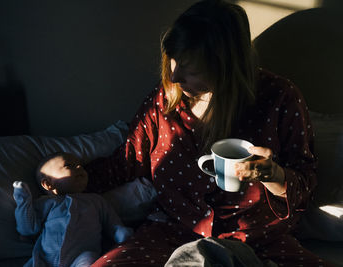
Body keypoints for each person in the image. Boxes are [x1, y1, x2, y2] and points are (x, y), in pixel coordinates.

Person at [83, 0, 333, 266]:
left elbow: (306, 184)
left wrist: (274, 175)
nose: (175, 76)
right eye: (173, 63)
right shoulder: (165, 101)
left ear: (225, 67)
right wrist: (78, 178)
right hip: (172, 233)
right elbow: (127, 161)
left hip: (260, 241)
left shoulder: (280, 99)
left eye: (190, 70)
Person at [12, 152, 133, 267]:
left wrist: (121, 233)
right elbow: (28, 229)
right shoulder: (48, 202)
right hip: (44, 260)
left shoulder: (96, 200)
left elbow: (111, 222)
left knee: (90, 258)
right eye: (69, 165)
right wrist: (23, 200)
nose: (79, 167)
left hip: (80, 258)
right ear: (48, 184)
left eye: (80, 165)